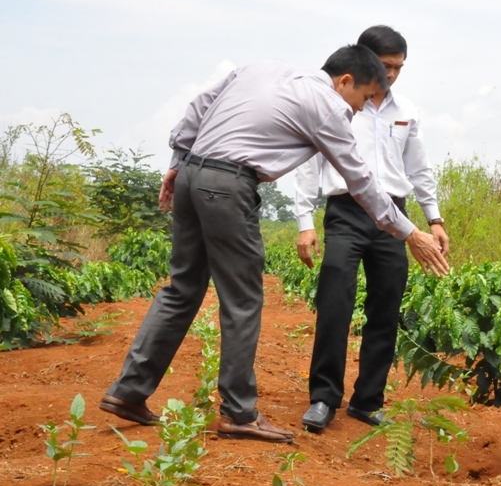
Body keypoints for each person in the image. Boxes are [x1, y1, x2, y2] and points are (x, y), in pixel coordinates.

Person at [99, 45, 449, 443]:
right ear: (345, 81)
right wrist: (410, 232)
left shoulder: (262, 68)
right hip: (229, 187)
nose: (359, 110)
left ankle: (128, 392)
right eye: (364, 98)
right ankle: (238, 412)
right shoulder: (328, 107)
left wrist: (180, 159)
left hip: (193, 177)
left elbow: (199, 105)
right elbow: (361, 180)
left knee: (182, 289)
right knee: (243, 298)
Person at [295, 25, 449, 432]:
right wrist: (303, 222)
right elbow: (311, 163)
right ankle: (324, 398)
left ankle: (368, 400)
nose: (392, 75)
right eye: (385, 66)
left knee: (385, 309)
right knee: (335, 302)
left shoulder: (407, 111)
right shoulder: (336, 104)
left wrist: (433, 218)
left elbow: (418, 168)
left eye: (399, 67)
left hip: (394, 220)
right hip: (345, 212)